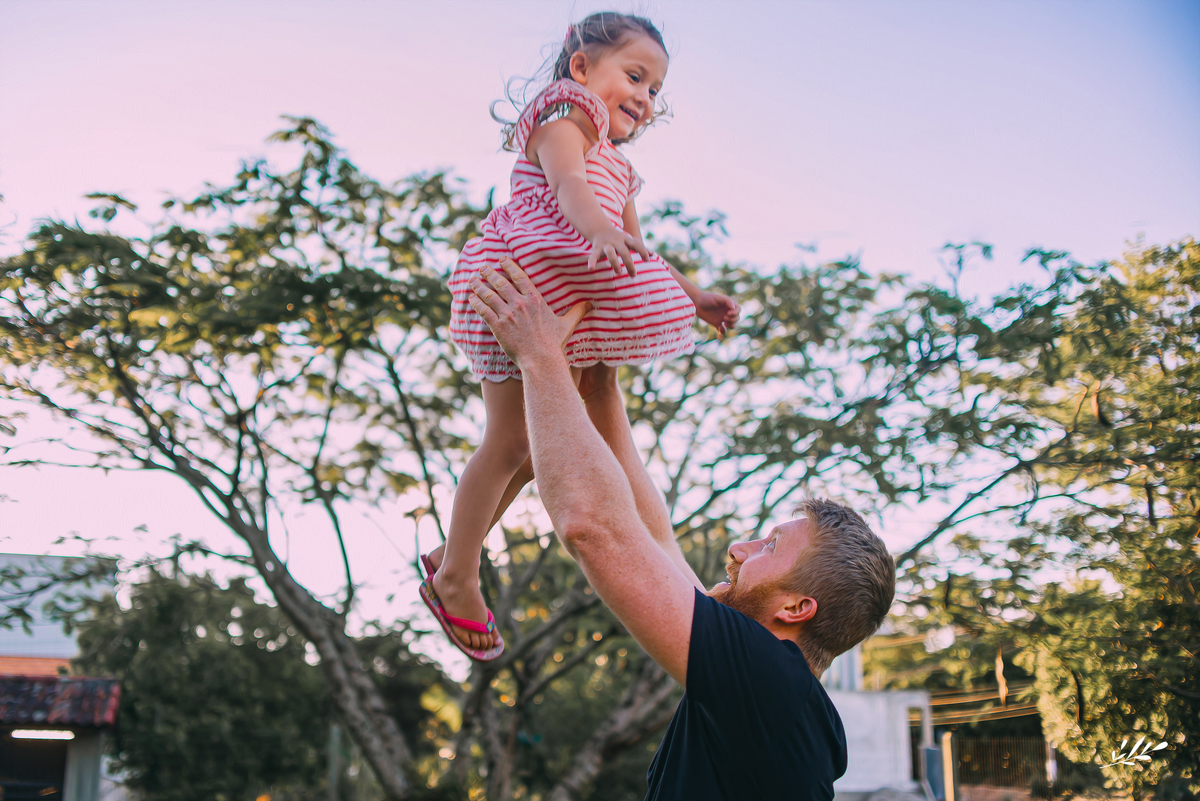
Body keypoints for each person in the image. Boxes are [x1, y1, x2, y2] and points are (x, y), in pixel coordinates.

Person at [466, 257, 897, 801]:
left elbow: (594, 529)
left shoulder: (768, 682)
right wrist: (600, 386)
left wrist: (540, 355)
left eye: (769, 546)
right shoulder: (775, 693)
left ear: (794, 608)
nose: (739, 549)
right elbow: (655, 539)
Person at [422, 12, 739, 660]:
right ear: (580, 69)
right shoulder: (563, 116)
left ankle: (453, 548)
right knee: (510, 439)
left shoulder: (619, 169)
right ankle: (455, 573)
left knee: (538, 448)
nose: (646, 99)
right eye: (635, 76)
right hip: (516, 285)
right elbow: (568, 187)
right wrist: (594, 230)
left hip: (561, 301)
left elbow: (639, 249)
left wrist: (694, 296)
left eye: (655, 89)